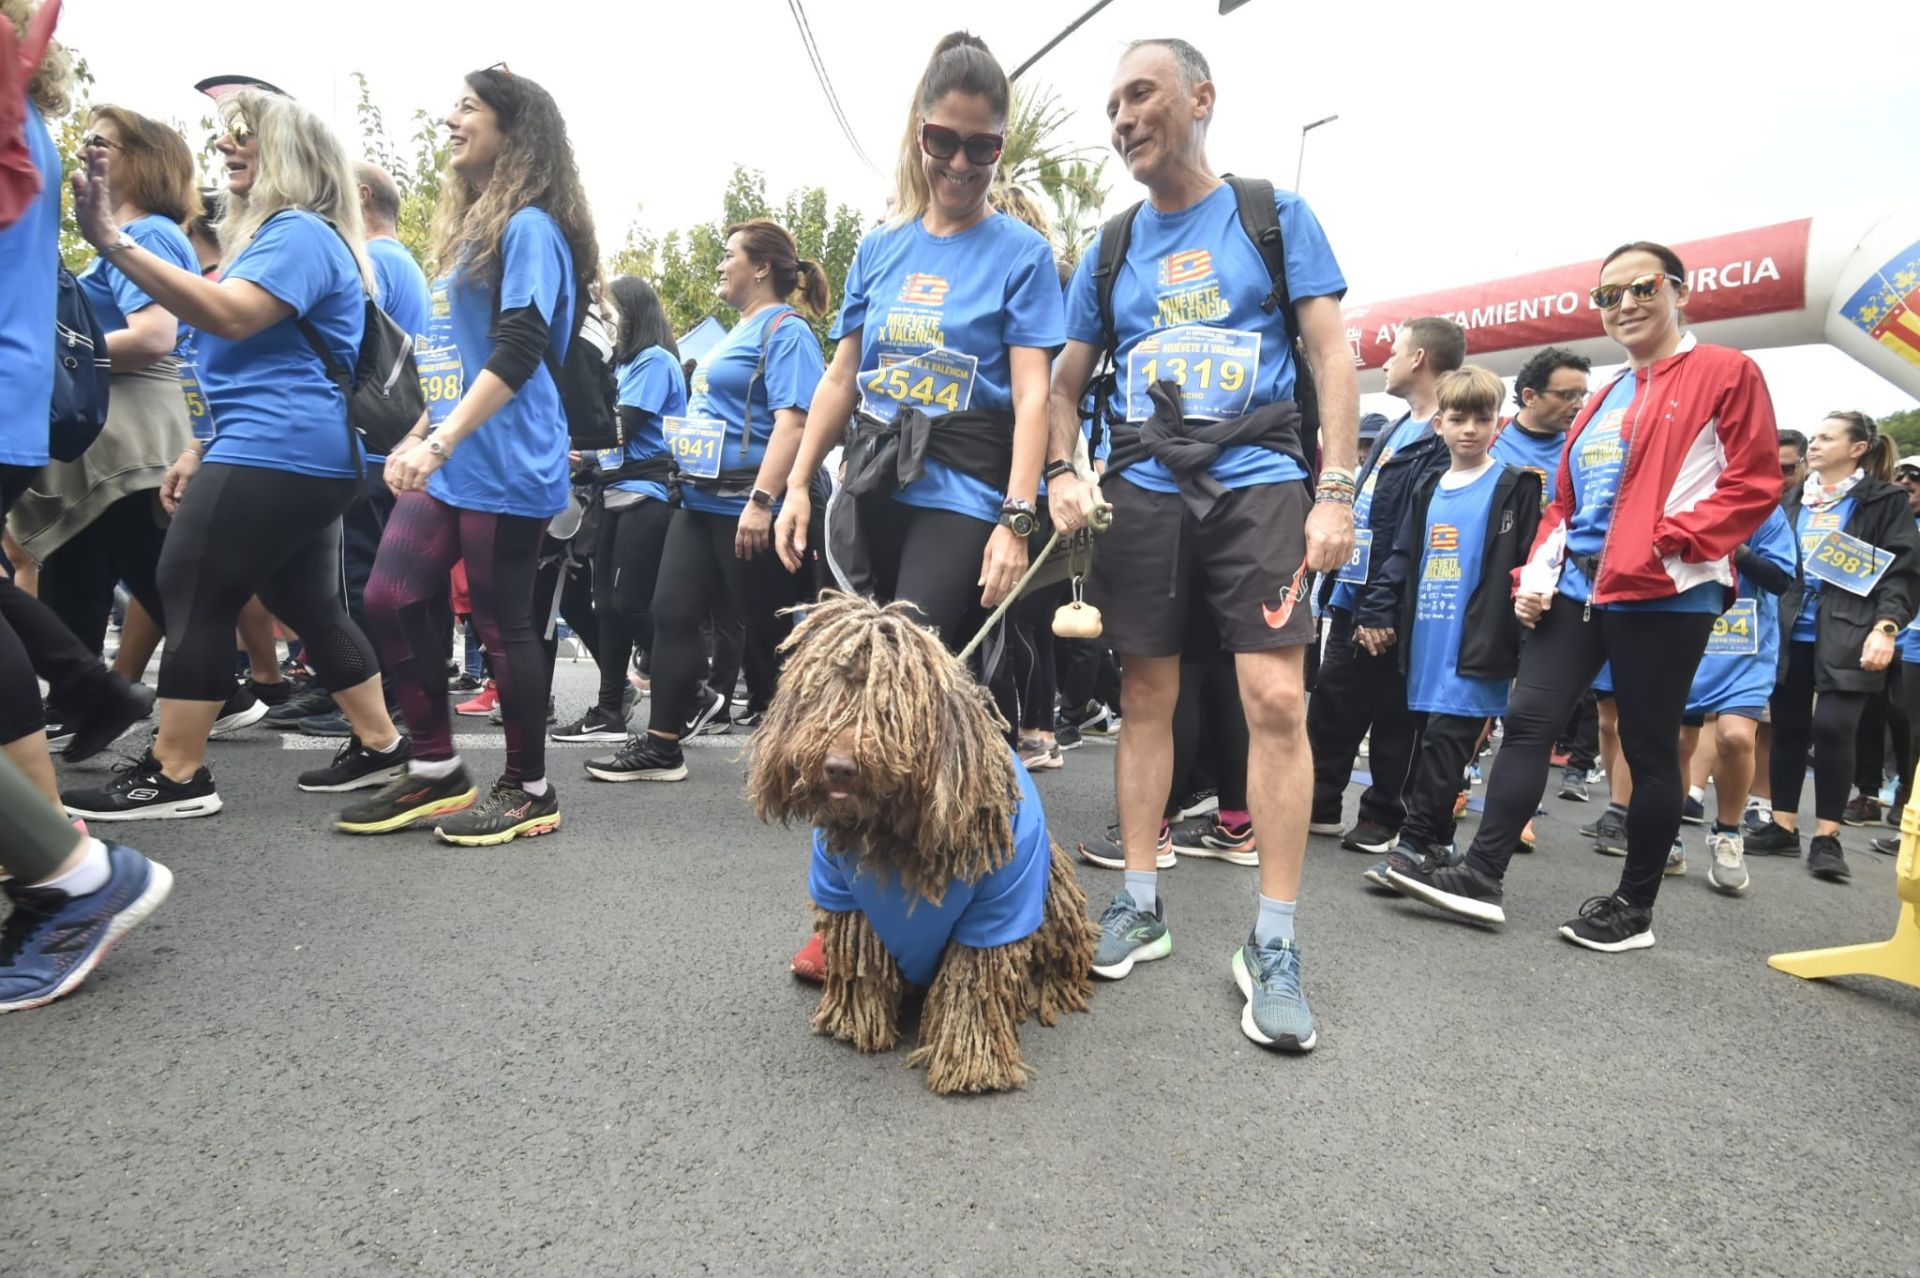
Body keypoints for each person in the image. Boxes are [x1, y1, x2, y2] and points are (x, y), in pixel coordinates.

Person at [1044, 38, 1359, 1049]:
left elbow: (1331, 351)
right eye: (1112, 106)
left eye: (1141, 95)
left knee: (1274, 697)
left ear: (1201, 99)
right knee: (1145, 696)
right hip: (1140, 491)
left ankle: (1272, 941)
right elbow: (1059, 384)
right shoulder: (1112, 245)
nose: (1123, 118)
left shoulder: (1272, 216)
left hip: (1260, 480)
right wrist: (1062, 471)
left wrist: (1337, 493)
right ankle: (1140, 899)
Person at [1385, 241, 1779, 952]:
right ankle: (1480, 875)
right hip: (1575, 587)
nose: (1624, 303)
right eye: (1608, 295)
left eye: (1641, 287)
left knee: (1651, 749)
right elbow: (1565, 505)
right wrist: (1536, 577)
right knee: (1527, 721)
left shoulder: (1727, 371)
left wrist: (1677, 539)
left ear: (1678, 291)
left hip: (1666, 592)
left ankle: (1633, 908)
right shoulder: (1602, 398)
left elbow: (1752, 482)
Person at [59, 88, 409, 820]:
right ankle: (381, 745)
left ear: (292, 154)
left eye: (246, 135)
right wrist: (199, 446)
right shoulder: (291, 235)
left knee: (191, 588)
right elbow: (235, 361)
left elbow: (233, 317)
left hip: (277, 448)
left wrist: (114, 243)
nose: (226, 146)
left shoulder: (298, 233)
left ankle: (177, 773)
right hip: (293, 449)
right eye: (224, 135)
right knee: (307, 604)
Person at [341, 66, 598, 844]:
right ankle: (434, 768)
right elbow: (457, 363)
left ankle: (530, 789)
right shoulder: (473, 231)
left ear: (514, 131)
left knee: (500, 622)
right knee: (389, 596)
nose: (451, 119)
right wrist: (423, 432)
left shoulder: (529, 228)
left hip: (509, 460)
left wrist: (442, 438)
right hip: (453, 457)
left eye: (469, 108)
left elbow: (520, 347)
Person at [773, 32, 1063, 660]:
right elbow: (841, 377)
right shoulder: (879, 247)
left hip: (961, 493)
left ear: (1000, 146)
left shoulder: (1024, 254)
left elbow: (1033, 396)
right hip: (870, 485)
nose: (961, 164)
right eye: (944, 142)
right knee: (844, 671)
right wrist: (797, 485)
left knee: (907, 674)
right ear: (919, 132)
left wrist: (1016, 522)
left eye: (980, 146)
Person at [583, 220, 825, 783]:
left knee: (774, 634)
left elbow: (795, 422)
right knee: (670, 615)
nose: (720, 265)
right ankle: (663, 745)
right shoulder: (735, 332)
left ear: (761, 267)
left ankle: (812, 748)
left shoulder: (787, 331)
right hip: (697, 501)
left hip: (748, 506)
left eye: (729, 256)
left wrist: (764, 501)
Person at [7, 106, 199, 676]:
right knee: (82, 564)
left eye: (101, 142)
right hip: (121, 437)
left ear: (142, 162)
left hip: (134, 439)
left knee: (151, 573)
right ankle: (84, 695)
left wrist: (56, 364)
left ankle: (213, 692)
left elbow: (154, 334)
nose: (85, 149)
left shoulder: (145, 234)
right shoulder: (137, 236)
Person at [1359, 366, 1539, 880]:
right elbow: (1403, 554)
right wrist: (1379, 606)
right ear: (1439, 424)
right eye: (1458, 419)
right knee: (1426, 741)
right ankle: (1437, 842)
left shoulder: (1513, 486)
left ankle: (1412, 844)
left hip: (1477, 644)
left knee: (1445, 744)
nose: (1469, 430)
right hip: (1425, 642)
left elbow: (1527, 559)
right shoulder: (1429, 487)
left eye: (1482, 419)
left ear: (1497, 422)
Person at [1307, 317, 1460, 855]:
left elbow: (1413, 533)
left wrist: (1382, 608)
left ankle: (1382, 814)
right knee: (1332, 701)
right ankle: (1321, 802)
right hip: (1354, 591)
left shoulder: (1445, 434)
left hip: (1395, 601)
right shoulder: (1399, 425)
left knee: (1396, 713)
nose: (1388, 361)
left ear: (1419, 359)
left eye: (1395, 352)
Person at [1747, 412, 1920, 880]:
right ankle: (1783, 824)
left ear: (1858, 448)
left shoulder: (1883, 501)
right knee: (1787, 727)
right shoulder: (1791, 499)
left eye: (1827, 437)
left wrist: (1886, 627)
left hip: (1852, 629)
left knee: (1834, 726)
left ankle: (1827, 835)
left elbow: (1902, 571)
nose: (1815, 445)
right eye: (1815, 437)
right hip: (1788, 627)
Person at [553, 276, 685, 744]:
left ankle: (694, 686)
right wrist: (584, 457)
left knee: (626, 603)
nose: (608, 322)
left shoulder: (654, 361)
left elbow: (619, 428)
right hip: (615, 492)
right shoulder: (628, 366)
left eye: (612, 313)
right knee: (607, 606)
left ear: (634, 313)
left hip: (645, 494)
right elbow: (607, 442)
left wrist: (567, 440)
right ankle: (609, 710)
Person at [1671, 505, 1798, 893]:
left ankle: (1728, 835)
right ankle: (1666, 836)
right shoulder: (1683, 489)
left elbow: (1780, 579)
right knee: (1676, 742)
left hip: (1744, 644)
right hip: (1684, 630)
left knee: (1736, 737)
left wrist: (1733, 548)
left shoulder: (1764, 509)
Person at [1744, 426, 1811, 832]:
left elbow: (1781, 575)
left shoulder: (1796, 507)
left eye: (1787, 468)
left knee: (1767, 720)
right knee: (1700, 722)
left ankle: (1760, 803)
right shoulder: (1750, 495)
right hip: (1721, 621)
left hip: (1781, 622)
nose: (1778, 476)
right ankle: (1691, 796)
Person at [1874, 456, 1920, 857]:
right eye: (1902, 475)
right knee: (1901, 722)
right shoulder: (1896, 521)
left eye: (1915, 477)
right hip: (1905, 641)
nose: (1906, 481)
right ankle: (1907, 815)